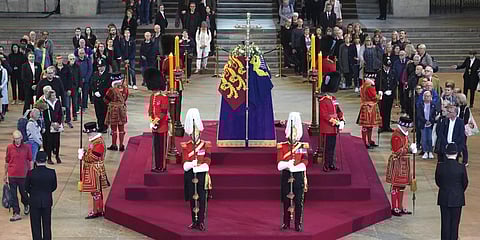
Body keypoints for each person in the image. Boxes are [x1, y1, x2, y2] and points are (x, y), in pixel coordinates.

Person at [181, 108, 212, 231]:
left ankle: (201, 221)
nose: (195, 135)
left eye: (197, 132)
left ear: (200, 132)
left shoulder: (206, 145)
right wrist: (190, 164)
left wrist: (198, 167)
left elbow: (208, 161)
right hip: (190, 175)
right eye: (193, 133)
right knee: (192, 199)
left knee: (202, 199)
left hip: (201, 175)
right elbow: (184, 163)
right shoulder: (186, 146)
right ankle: (194, 221)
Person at [277, 112, 308, 232]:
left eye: (295, 132)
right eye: (291, 132)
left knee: (299, 201)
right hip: (286, 175)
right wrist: (286, 164)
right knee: (286, 200)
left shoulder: (302, 146)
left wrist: (295, 167)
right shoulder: (282, 146)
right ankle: (286, 222)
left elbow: (305, 161)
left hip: (298, 175)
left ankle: (298, 223)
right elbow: (279, 163)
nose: (293, 135)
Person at [435, 143, 468, 240]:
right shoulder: (461, 167)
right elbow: (465, 182)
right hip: (457, 198)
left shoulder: (440, 166)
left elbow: (438, 181)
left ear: (446, 154)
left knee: (445, 223)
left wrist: (444, 188)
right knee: (455, 224)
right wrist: (459, 191)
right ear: (457, 153)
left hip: (444, 197)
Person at [386, 117, 417, 216]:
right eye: (407, 127)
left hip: (404, 163)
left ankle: (400, 206)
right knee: (395, 186)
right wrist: (409, 149)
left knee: (402, 186)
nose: (408, 130)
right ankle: (394, 207)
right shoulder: (396, 135)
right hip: (397, 163)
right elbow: (397, 151)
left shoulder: (404, 134)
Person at [78, 122, 110, 219]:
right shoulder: (95, 141)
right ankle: (99, 209)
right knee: (96, 191)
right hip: (93, 168)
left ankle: (96, 211)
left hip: (95, 169)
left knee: (95, 191)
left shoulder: (98, 143)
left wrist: (82, 156)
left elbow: (93, 157)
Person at [25, 151, 57, 240]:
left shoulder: (31, 173)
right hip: (47, 201)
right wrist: (47, 192)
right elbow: (54, 186)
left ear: (36, 160)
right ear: (46, 160)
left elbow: (26, 187)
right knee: (47, 225)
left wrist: (33, 192)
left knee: (35, 225)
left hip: (34, 201)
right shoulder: (51, 172)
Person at [4, 130, 32, 222]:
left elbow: (30, 160)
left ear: (21, 138)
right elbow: (7, 161)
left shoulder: (27, 147)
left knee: (23, 192)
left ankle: (26, 203)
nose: (17, 140)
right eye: (15, 139)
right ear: (13, 139)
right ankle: (16, 212)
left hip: (23, 175)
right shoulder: (9, 147)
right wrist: (5, 174)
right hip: (12, 174)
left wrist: (30, 172)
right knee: (13, 194)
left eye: (18, 138)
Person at [318, 72, 345, 171]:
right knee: (327, 148)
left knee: (332, 147)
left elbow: (338, 110)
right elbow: (324, 116)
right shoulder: (323, 100)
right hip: (327, 127)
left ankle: (331, 163)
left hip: (333, 128)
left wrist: (342, 119)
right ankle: (326, 164)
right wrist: (336, 122)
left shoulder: (333, 99)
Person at [145, 68, 169, 172]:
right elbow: (150, 110)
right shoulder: (152, 96)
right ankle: (156, 165)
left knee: (161, 148)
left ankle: (162, 166)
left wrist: (155, 122)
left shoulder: (164, 97)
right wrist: (151, 120)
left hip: (162, 126)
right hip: (155, 126)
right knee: (156, 147)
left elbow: (163, 112)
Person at [104, 73, 129, 151]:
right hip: (122, 109)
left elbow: (106, 99)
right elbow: (126, 97)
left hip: (113, 110)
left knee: (114, 129)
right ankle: (121, 145)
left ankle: (114, 145)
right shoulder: (125, 88)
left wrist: (111, 103)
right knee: (121, 128)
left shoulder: (111, 89)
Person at [357, 76, 382, 148]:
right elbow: (374, 97)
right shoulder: (370, 86)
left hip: (364, 106)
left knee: (367, 126)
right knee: (368, 126)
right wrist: (379, 95)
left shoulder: (364, 85)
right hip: (370, 108)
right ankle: (366, 141)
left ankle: (367, 141)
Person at [377, 57, 397, 132]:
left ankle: (387, 126)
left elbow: (394, 83)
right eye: (386, 66)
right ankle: (382, 126)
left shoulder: (393, 72)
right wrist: (383, 90)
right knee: (382, 110)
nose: (387, 67)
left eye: (388, 66)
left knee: (388, 110)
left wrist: (392, 90)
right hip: (383, 95)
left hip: (390, 94)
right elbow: (378, 83)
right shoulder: (380, 73)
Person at [43, 89, 63, 164]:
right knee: (49, 142)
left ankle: (57, 156)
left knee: (57, 141)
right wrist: (51, 124)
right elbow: (45, 116)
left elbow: (60, 113)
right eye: (52, 96)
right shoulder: (46, 104)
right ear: (49, 97)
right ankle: (49, 158)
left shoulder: (57, 102)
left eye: (55, 95)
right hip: (49, 125)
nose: (54, 97)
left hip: (57, 125)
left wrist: (58, 123)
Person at [91, 60, 112, 133]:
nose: (100, 68)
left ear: (105, 67)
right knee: (98, 112)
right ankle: (100, 126)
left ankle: (104, 127)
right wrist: (95, 92)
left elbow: (107, 86)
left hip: (104, 97)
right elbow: (92, 83)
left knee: (104, 112)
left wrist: (101, 92)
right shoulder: (95, 74)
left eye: (101, 67)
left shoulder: (108, 75)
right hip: (96, 97)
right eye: (99, 67)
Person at [417, 91, 437, 159]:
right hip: (423, 124)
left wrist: (430, 121)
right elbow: (419, 115)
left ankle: (430, 151)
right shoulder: (420, 104)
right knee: (424, 138)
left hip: (431, 124)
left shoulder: (433, 104)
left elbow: (434, 114)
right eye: (425, 96)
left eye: (428, 96)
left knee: (430, 138)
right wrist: (425, 121)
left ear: (431, 97)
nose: (427, 97)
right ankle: (425, 151)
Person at [55, 57, 74, 128]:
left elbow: (70, 79)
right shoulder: (54, 68)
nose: (59, 60)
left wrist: (69, 89)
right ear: (56, 60)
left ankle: (68, 120)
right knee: (57, 107)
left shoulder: (67, 68)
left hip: (65, 90)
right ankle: (58, 121)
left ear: (62, 60)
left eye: (60, 59)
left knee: (67, 106)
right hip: (57, 91)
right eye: (58, 59)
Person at [67, 54, 81, 121]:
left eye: (73, 59)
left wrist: (80, 86)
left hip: (75, 86)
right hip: (68, 87)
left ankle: (75, 115)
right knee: (68, 103)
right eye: (71, 59)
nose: (72, 60)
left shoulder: (77, 67)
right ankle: (68, 116)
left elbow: (80, 77)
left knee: (75, 102)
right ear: (68, 59)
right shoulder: (66, 67)